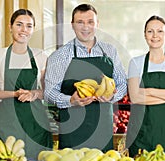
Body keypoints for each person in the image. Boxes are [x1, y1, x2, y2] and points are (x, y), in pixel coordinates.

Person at [44, 4, 127, 152]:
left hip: (103, 129)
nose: (85, 27)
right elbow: (49, 93)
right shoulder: (60, 55)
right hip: (72, 131)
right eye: (80, 22)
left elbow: (122, 84)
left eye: (90, 22)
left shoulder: (110, 51)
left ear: (97, 24)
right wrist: (70, 100)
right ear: (72, 25)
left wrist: (112, 97)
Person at [0, 9, 53, 160]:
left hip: (37, 127)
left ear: (33, 29)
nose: (23, 30)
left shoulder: (40, 56)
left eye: (29, 26)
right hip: (9, 126)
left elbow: (49, 91)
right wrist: (14, 94)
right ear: (10, 26)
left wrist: (34, 94)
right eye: (19, 24)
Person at [125, 15, 165, 157]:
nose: (155, 36)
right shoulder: (136, 62)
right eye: (150, 31)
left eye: (160, 31)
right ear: (144, 34)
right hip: (140, 135)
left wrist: (149, 91)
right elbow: (135, 97)